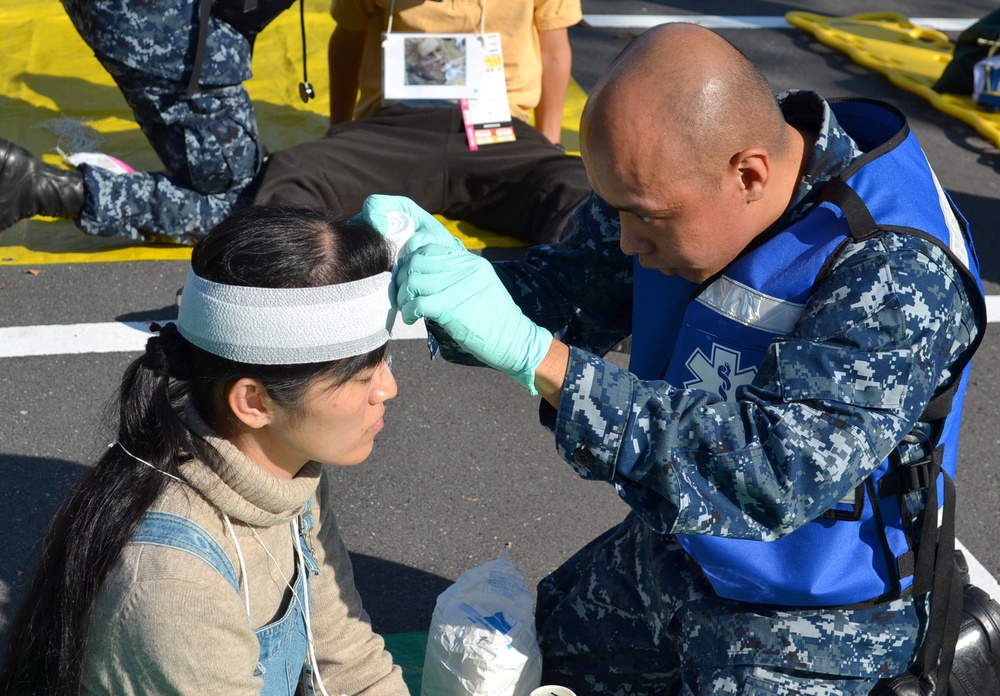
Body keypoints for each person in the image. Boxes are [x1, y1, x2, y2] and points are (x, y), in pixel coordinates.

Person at [365, 22, 989, 695]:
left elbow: (769, 475)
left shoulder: (895, 271)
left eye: (646, 219)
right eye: (616, 211)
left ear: (749, 174)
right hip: (685, 545)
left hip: (819, 617)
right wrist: (435, 284)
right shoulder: (683, 168)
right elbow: (577, 285)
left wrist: (541, 362)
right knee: (522, 659)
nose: (628, 241)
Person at [0, 205, 410, 695]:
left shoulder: (284, 473)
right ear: (254, 402)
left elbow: (347, 658)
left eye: (383, 361)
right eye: (362, 376)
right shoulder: (173, 586)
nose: (389, 388)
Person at [253, 0, 591, 245]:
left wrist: (549, 140)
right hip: (393, 128)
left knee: (579, 191)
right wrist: (339, 130)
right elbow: (346, 43)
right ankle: (303, 299)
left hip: (496, 129)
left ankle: (574, 313)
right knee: (294, 172)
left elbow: (554, 51)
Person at [0, 0, 300, 243]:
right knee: (247, 205)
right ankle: (41, 188)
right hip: (168, 30)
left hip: (138, 21)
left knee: (236, 166)